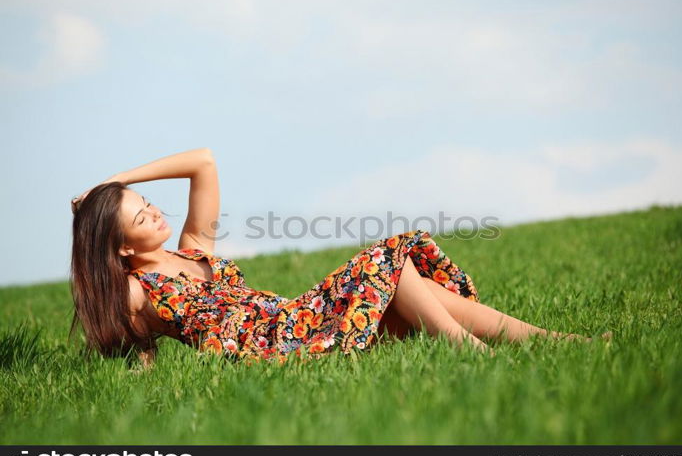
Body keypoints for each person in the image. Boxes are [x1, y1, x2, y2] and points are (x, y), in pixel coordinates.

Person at [69, 148, 611, 371]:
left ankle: (560, 346)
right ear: (118, 248)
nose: (156, 216)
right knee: (391, 260)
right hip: (283, 342)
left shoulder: (194, 250)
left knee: (413, 282)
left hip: (298, 318)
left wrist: (118, 181)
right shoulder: (136, 291)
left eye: (150, 206)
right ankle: (471, 354)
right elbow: (113, 335)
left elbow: (203, 163)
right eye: (141, 219)